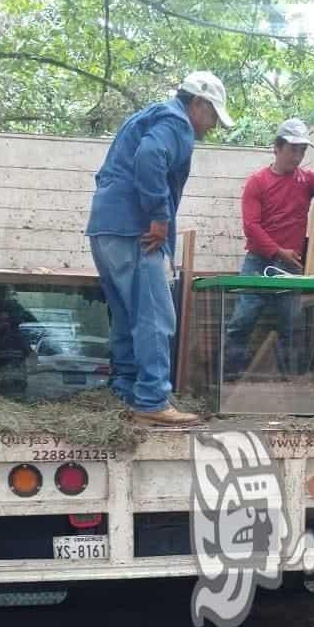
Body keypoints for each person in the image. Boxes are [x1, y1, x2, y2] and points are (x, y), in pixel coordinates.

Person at [87, 72, 234, 426]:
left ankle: (125, 388)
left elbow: (113, 169)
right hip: (136, 232)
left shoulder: (145, 117)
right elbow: (150, 156)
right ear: (197, 103)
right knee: (155, 317)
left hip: (104, 228)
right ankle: (152, 399)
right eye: (213, 115)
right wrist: (158, 216)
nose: (212, 126)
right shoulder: (176, 123)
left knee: (125, 313)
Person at [225, 119, 314, 378]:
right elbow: (251, 226)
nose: (297, 156)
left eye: (302, 151)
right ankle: (230, 379)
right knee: (243, 319)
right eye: (292, 149)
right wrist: (277, 251)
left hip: (289, 266)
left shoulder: (307, 180)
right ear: (277, 148)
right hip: (259, 261)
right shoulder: (257, 182)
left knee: (292, 324)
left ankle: (291, 381)